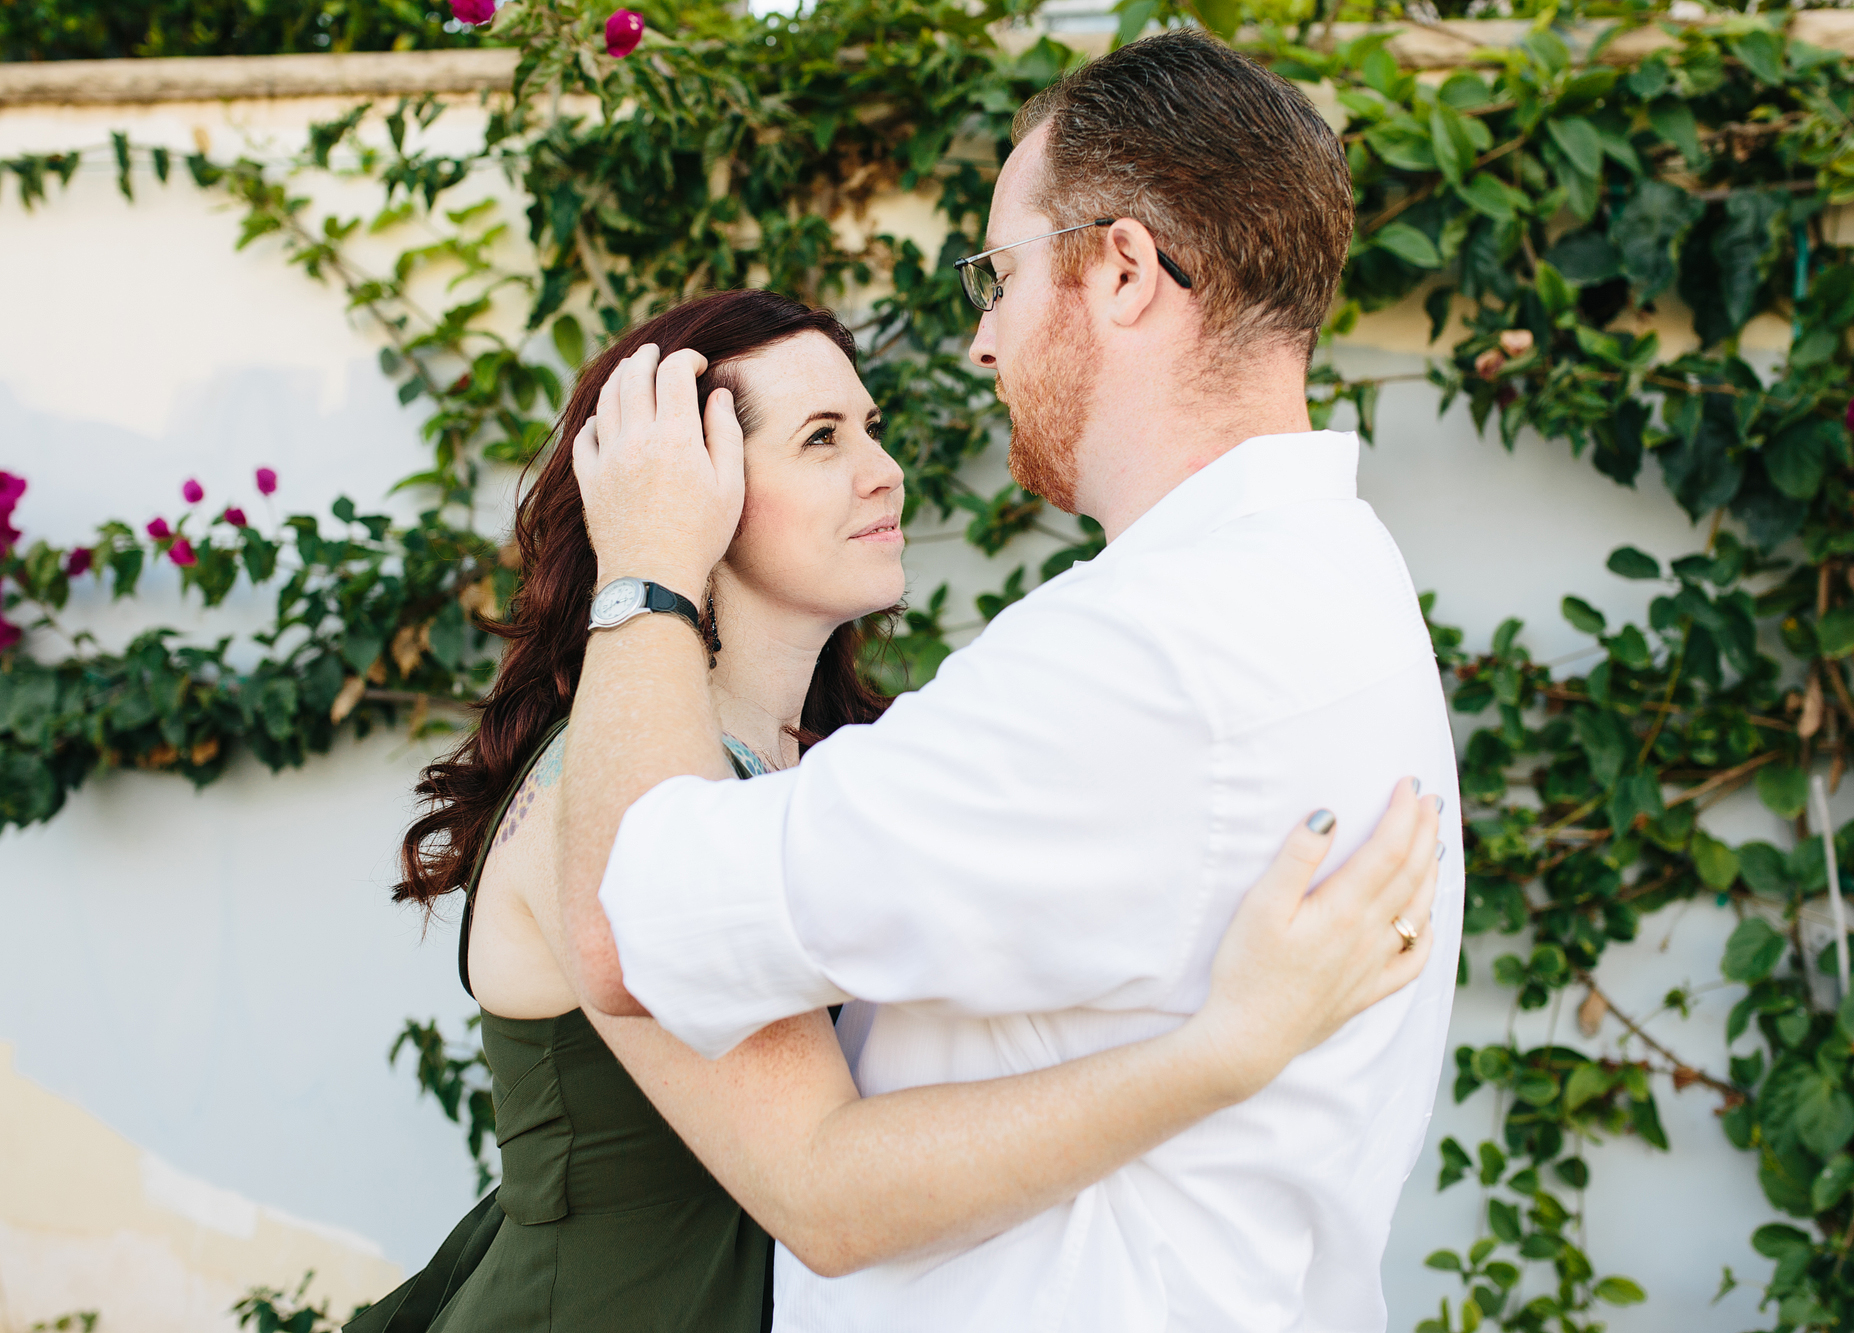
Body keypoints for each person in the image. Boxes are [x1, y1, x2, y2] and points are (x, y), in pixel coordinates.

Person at [557, 28, 1466, 1333]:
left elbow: (629, 920)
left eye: (999, 275)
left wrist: (645, 559)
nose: (984, 341)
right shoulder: (1343, 573)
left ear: (1125, 272)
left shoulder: (1144, 659)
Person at [350, 288, 1442, 1332]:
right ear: (681, 489)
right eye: (821, 439)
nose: (884, 473)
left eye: (870, 428)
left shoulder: (829, 775)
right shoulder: (598, 800)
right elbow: (826, 1182)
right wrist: (1225, 1047)